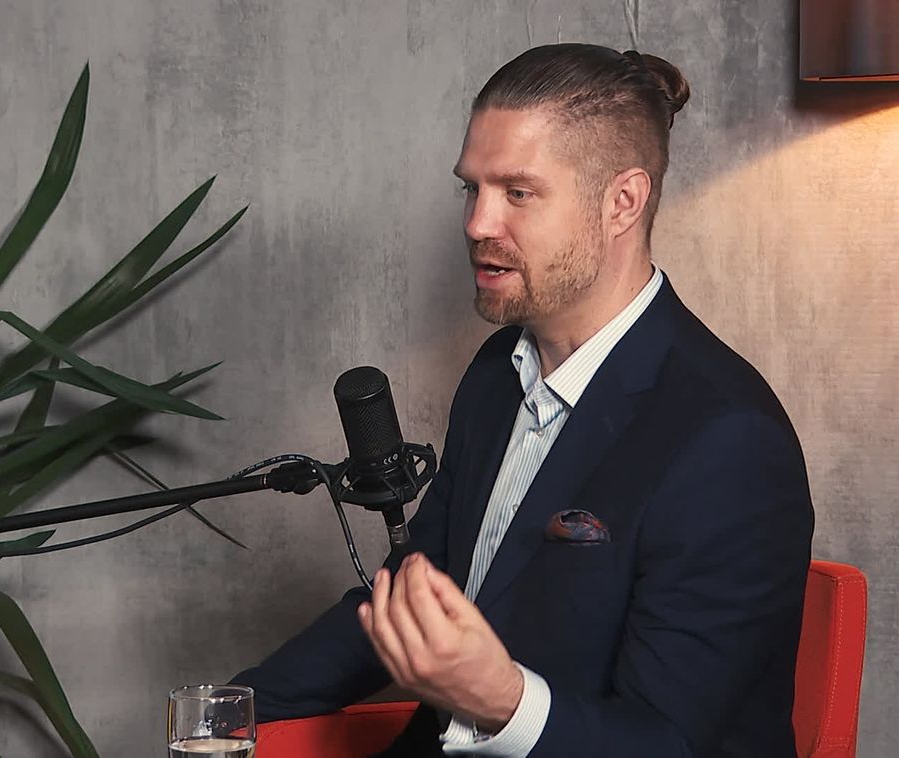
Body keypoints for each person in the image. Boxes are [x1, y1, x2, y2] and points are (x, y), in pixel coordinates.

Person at [234, 43, 814, 757]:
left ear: (622, 202)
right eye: (471, 189)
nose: (477, 223)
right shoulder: (495, 372)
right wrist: (226, 713)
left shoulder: (728, 441)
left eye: (517, 192)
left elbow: (667, 742)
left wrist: (504, 701)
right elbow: (410, 597)